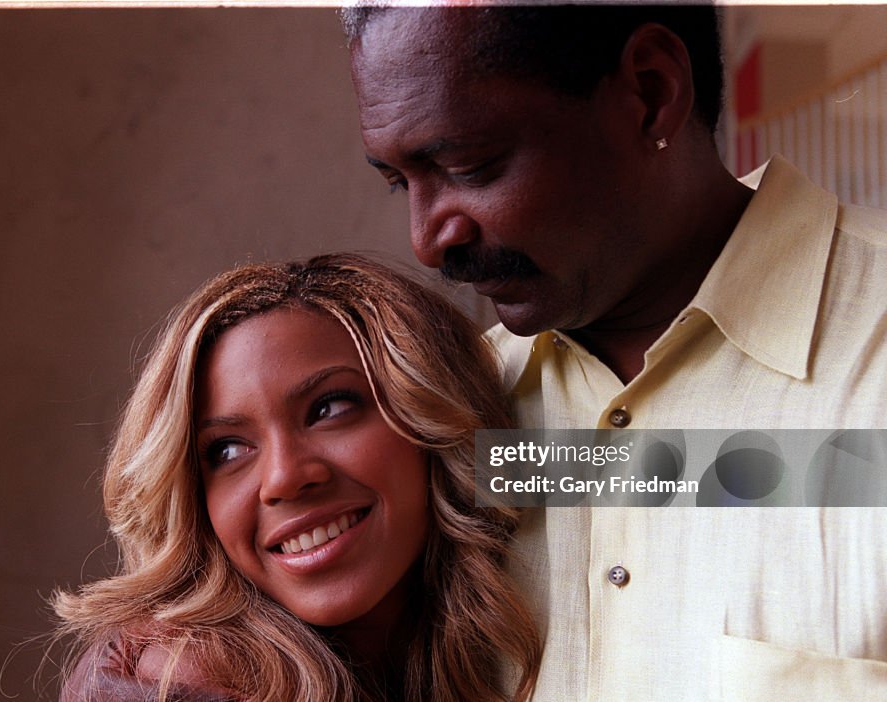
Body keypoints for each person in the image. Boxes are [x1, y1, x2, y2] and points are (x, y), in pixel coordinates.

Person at [345, 5, 887, 701]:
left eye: (469, 166)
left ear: (651, 93)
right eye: (399, 181)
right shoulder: (449, 416)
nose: (426, 239)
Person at [53, 253, 542, 702]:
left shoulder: (548, 463)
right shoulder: (179, 679)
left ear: (430, 421)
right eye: (226, 449)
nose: (284, 478)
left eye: (329, 409)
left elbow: (616, 469)